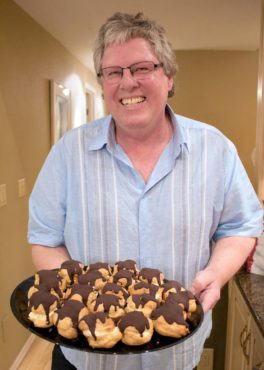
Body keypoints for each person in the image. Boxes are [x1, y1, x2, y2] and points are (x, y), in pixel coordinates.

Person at [28, 12, 263, 370]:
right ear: (103, 82)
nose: (128, 83)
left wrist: (216, 274)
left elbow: (241, 226)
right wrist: (80, 298)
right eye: (114, 72)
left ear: (168, 76)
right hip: (85, 358)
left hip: (175, 356)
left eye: (141, 68)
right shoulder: (67, 153)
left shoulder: (216, 150)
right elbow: (44, 236)